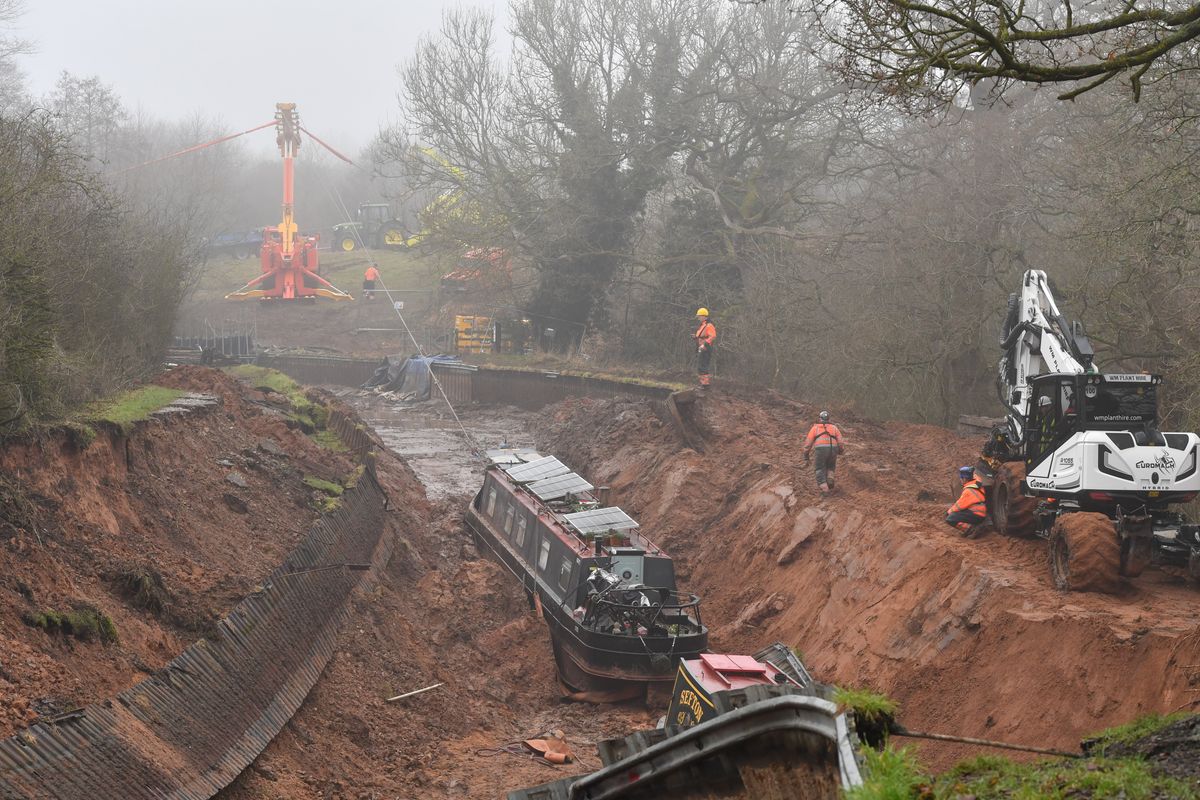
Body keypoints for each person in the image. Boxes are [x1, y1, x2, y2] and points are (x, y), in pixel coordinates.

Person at [803, 411, 844, 494]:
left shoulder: (815, 428)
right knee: (831, 466)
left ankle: (825, 489)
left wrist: (806, 454)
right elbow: (840, 441)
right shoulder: (834, 428)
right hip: (833, 449)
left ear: (820, 419)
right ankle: (830, 479)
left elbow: (808, 443)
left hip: (820, 450)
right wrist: (840, 450)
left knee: (819, 468)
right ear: (828, 419)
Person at [946, 465, 988, 537]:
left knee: (950, 518)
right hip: (981, 513)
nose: (961, 480)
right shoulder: (977, 482)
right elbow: (975, 475)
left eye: (961, 478)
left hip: (976, 514)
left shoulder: (968, 491)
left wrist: (949, 512)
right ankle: (975, 526)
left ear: (965, 479)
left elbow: (959, 506)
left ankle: (971, 529)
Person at [694, 308, 717, 388]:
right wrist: (695, 337)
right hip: (702, 348)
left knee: (703, 366)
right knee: (700, 366)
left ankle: (705, 385)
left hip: (705, 348)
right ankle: (703, 384)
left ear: (704, 316)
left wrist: (705, 345)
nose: (698, 318)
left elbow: (713, 336)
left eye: (699, 316)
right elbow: (702, 336)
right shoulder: (703, 325)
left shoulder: (709, 325)